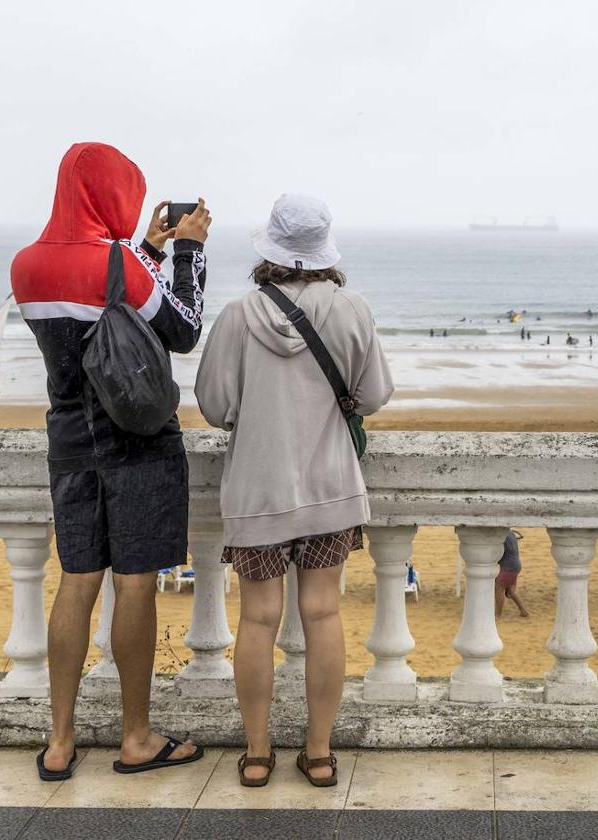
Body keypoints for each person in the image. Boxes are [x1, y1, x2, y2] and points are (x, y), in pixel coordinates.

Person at [10, 143, 210, 779]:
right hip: (138, 442)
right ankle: (136, 737)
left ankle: (61, 741)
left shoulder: (26, 266)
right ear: (109, 194)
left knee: (76, 580)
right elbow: (181, 328)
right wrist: (186, 252)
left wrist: (141, 253)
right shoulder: (119, 261)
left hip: (70, 442)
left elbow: (96, 314)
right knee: (133, 583)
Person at [196, 193, 393, 788]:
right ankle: (320, 753)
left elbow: (213, 406)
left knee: (257, 621)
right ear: (323, 251)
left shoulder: (237, 316)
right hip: (330, 487)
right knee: (324, 612)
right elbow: (376, 394)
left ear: (271, 250)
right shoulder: (353, 310)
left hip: (257, 491)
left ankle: (258, 755)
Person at [495, 530, 529, 618]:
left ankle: (497, 614)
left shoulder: (503, 535)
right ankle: (523, 611)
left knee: (499, 589)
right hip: (515, 565)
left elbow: (499, 552)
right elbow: (520, 535)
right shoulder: (511, 533)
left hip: (508, 567)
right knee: (511, 591)